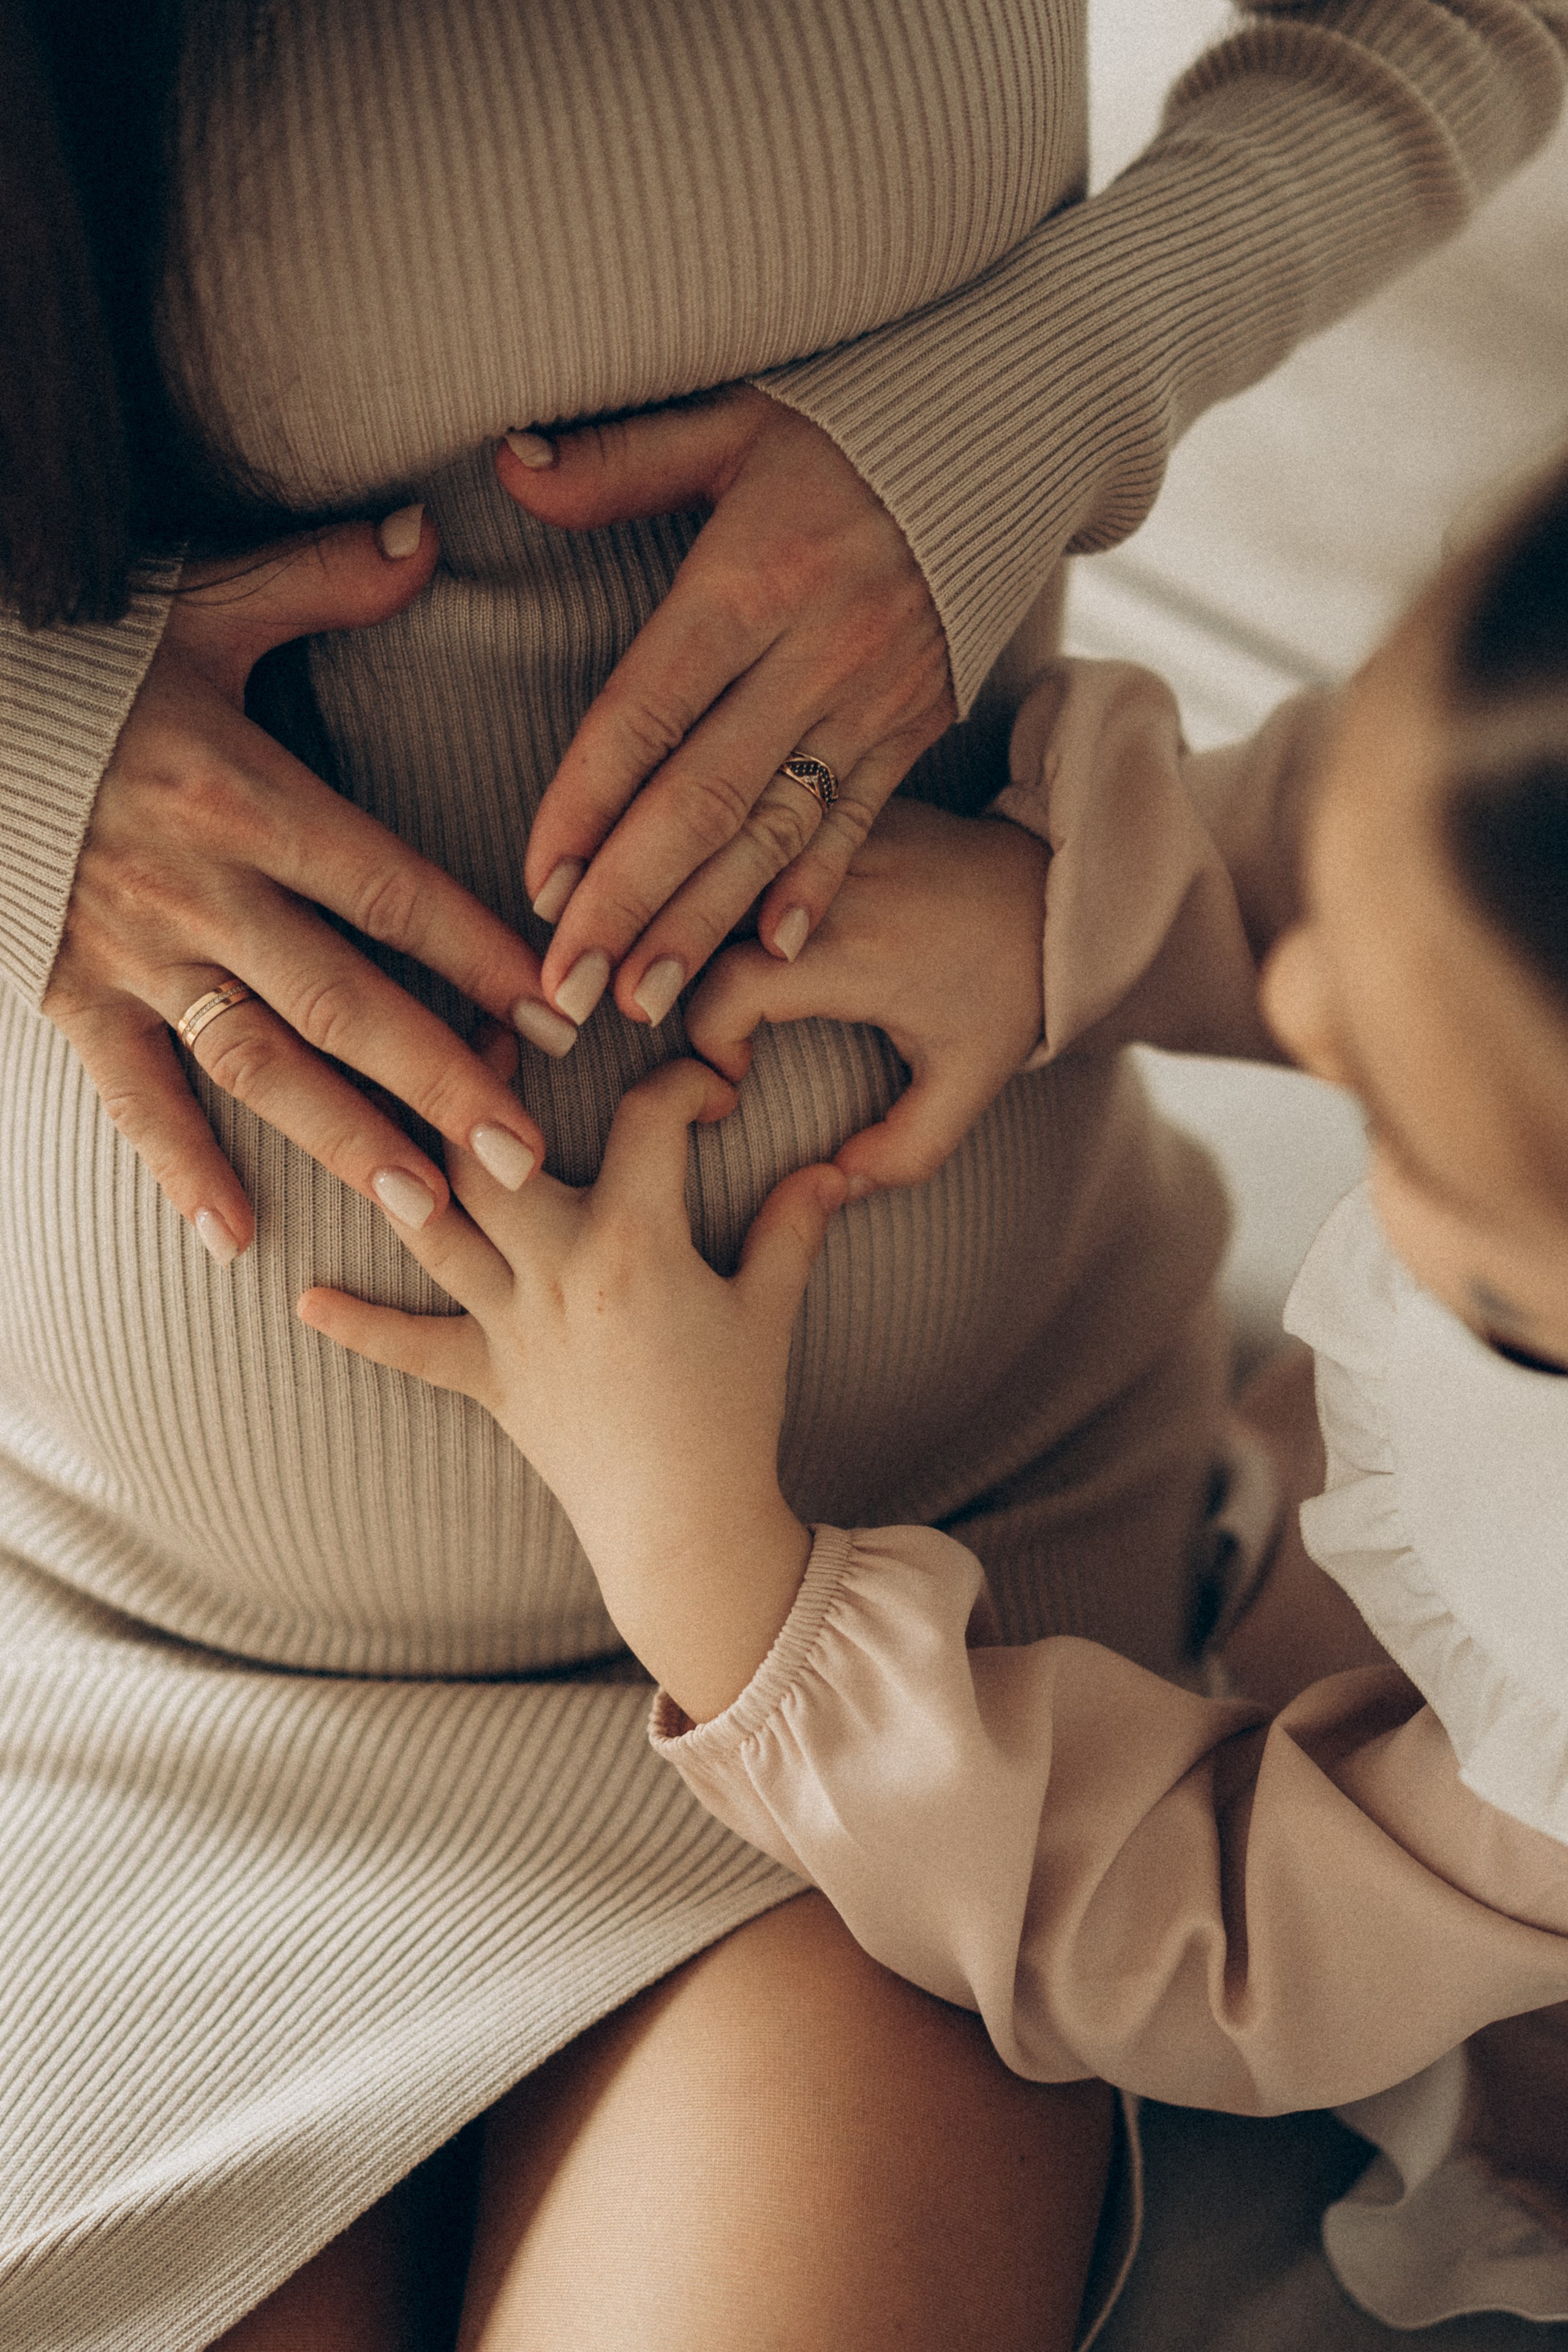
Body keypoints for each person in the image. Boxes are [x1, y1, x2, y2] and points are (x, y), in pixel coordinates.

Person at [3, 0, 1566, 2343]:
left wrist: (1047, 386)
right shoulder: (1448, 866)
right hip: (130, 1636)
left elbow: (1227, 1914)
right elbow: (1332, 889)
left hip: (919, 1651)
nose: (1316, 1029)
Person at [314, 453, 1568, 2336]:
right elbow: (1368, 839)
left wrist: (736, 1593)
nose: (1295, 1013)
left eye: (1401, 1114)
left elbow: (1235, 1926)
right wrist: (1086, 910)